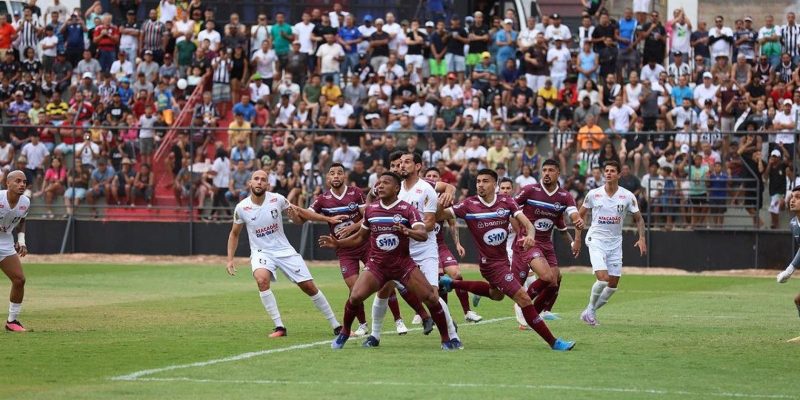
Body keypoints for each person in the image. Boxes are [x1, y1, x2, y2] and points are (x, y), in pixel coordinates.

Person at [437, 168, 575, 351]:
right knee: (524, 299)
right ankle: (554, 342)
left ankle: (452, 284)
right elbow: (438, 216)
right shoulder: (468, 205)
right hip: (491, 265)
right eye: (478, 181)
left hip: (503, 262)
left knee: (497, 295)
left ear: (495, 185)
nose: (480, 185)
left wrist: (530, 235)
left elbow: (527, 224)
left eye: (485, 181)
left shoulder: (506, 202)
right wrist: (439, 203)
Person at [321, 172, 458, 350]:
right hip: (377, 265)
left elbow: (423, 234)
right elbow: (360, 237)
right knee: (355, 296)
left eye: (386, 183)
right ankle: (345, 332)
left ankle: (446, 339)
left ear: (396, 188)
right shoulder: (371, 209)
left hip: (403, 265)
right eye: (379, 183)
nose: (380, 186)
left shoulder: (408, 209)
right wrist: (338, 242)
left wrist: (408, 231)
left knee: (431, 297)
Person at [226, 170, 342, 338]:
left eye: (263, 180)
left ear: (268, 185)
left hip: (284, 250)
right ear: (250, 183)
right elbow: (234, 234)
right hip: (261, 252)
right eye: (256, 179)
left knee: (309, 287)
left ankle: (337, 326)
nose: (259, 182)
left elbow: (300, 218)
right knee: (261, 280)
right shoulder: (241, 208)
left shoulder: (277, 199)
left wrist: (327, 219)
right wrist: (230, 260)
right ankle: (279, 327)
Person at [365, 152, 460, 348]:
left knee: (432, 295)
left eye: (407, 162)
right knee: (384, 289)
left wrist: (408, 229)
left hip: (424, 248)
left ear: (418, 166)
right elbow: (374, 208)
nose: (402, 166)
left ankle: (452, 336)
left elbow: (430, 222)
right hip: (399, 248)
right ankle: (374, 336)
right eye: (400, 163)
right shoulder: (394, 189)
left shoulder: (426, 189)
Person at [510, 159, 584, 326]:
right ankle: (523, 302)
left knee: (554, 281)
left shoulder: (564, 196)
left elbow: (573, 215)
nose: (547, 173)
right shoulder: (530, 190)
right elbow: (511, 207)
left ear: (558, 173)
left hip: (546, 244)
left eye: (551, 170)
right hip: (529, 241)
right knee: (546, 277)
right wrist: (519, 230)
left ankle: (532, 313)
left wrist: (577, 224)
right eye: (544, 170)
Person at [578, 161, 647, 326]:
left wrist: (642, 238)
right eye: (606, 170)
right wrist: (577, 238)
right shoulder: (593, 194)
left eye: (612, 171)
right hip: (596, 240)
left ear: (619, 174)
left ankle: (589, 311)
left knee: (612, 285)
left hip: (615, 243)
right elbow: (580, 215)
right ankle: (590, 313)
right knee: (602, 279)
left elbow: (639, 218)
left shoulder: (628, 196)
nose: (608, 173)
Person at [423, 167, 481, 323]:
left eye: (435, 176)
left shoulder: (444, 198)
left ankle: (468, 312)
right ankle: (441, 314)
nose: (432, 178)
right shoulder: (417, 197)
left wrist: (458, 243)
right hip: (424, 247)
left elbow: (452, 223)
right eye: (429, 176)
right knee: (438, 278)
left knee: (456, 274)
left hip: (440, 245)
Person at [1, 171, 29, 332]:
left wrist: (21, 241)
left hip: (5, 241)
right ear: (7, 183)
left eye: (24, 182)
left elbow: (22, 221)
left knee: (19, 280)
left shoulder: (25, 201)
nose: (22, 184)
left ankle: (12, 321)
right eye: (18, 181)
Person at [776, 187, 800, 318]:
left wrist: (789, 270)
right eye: (792, 197)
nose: (792, 200)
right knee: (798, 301)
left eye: (798, 197)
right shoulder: (793, 224)